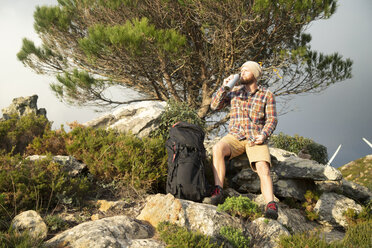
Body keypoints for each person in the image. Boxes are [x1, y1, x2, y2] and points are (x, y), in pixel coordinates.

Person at [203, 61, 279, 220]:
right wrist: (224, 87)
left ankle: (271, 204)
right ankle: (218, 190)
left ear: (255, 74)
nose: (242, 72)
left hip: (255, 138)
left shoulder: (266, 94)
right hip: (235, 136)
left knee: (263, 166)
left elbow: (272, 119)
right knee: (218, 148)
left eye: (246, 70)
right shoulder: (234, 91)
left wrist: (263, 135)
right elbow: (214, 106)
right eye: (241, 70)